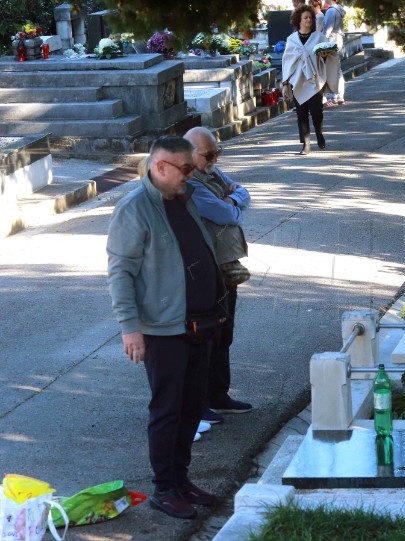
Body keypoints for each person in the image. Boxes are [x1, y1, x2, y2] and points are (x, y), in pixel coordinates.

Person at [107, 135, 227, 519]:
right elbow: (120, 272)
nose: (192, 176)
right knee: (168, 409)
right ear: (161, 167)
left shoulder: (184, 198)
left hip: (200, 322)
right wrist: (130, 328)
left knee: (193, 407)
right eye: (186, 169)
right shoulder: (135, 209)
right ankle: (163, 488)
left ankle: (181, 479)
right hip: (163, 329)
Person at [183, 127, 253, 426]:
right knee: (206, 335)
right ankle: (198, 402)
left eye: (217, 153)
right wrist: (231, 203)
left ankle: (218, 394)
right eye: (208, 155)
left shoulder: (212, 171)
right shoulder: (191, 183)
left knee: (225, 332)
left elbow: (242, 193)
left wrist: (232, 199)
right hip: (206, 267)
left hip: (226, 265)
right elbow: (226, 215)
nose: (214, 159)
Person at [281, 4, 341, 155]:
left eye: (311, 18)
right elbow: (287, 61)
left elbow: (331, 55)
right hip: (298, 80)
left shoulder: (319, 37)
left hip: (315, 80)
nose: (308, 20)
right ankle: (306, 144)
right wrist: (285, 82)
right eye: (305, 17)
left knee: (316, 112)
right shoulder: (292, 39)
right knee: (301, 114)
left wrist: (326, 55)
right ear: (299, 20)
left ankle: (319, 134)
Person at [322, 0, 346, 106]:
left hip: (331, 41)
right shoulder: (338, 10)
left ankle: (333, 96)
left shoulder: (331, 11)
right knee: (337, 69)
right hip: (339, 40)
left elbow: (327, 29)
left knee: (330, 69)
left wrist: (321, 41)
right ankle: (340, 95)